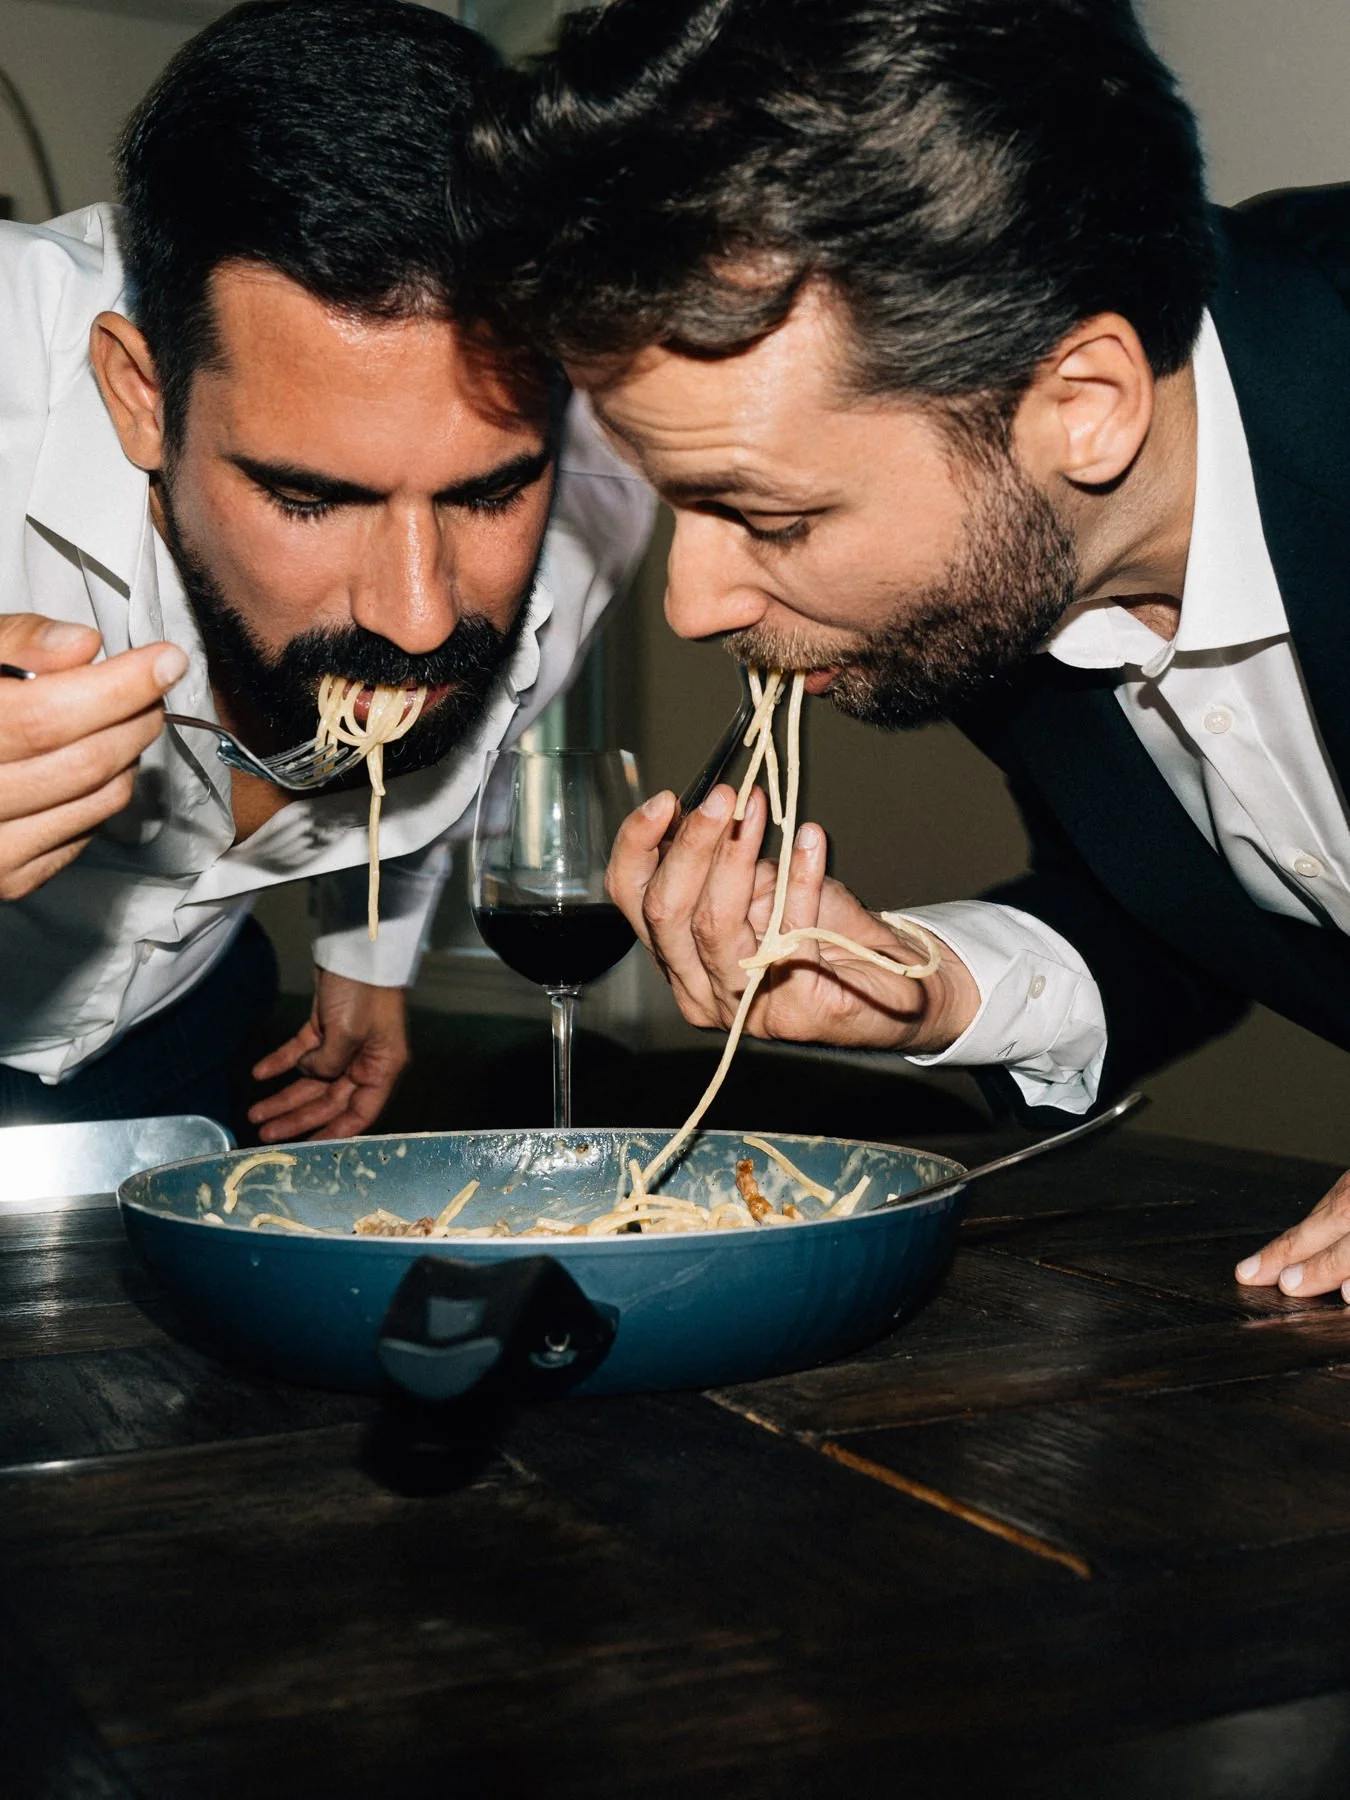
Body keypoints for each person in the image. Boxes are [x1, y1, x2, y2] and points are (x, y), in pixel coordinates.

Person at [460, 0, 1350, 1295]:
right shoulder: (1022, 558)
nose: (692, 604)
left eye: (768, 515)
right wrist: (920, 987)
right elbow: (1190, 910)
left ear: (1080, 409)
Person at [0, 0, 651, 1138]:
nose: (415, 613)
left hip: (186, 1044)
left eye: (489, 493)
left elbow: (433, 754)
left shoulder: (601, 486)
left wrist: (370, 945)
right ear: (141, 395)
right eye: (310, 497)